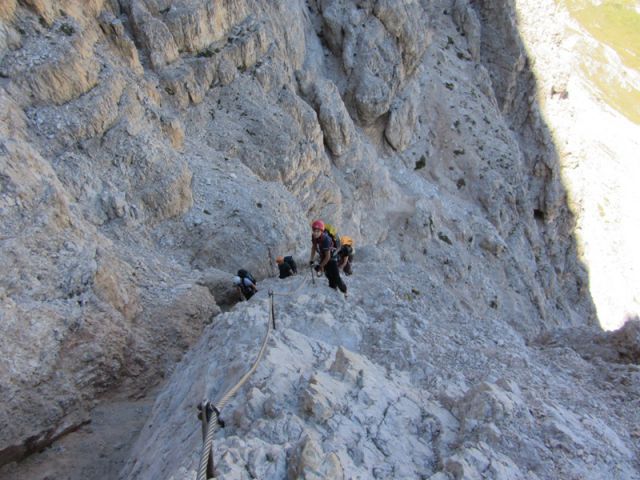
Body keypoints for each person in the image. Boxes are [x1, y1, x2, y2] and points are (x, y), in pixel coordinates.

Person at [309, 220, 347, 297]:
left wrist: (320, 266)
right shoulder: (314, 236)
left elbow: (328, 257)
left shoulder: (326, 239)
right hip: (324, 255)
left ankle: (345, 292)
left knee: (336, 276)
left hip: (332, 256)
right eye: (314, 231)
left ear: (321, 231)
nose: (315, 233)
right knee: (329, 275)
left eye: (318, 231)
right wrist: (311, 259)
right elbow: (314, 247)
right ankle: (333, 290)